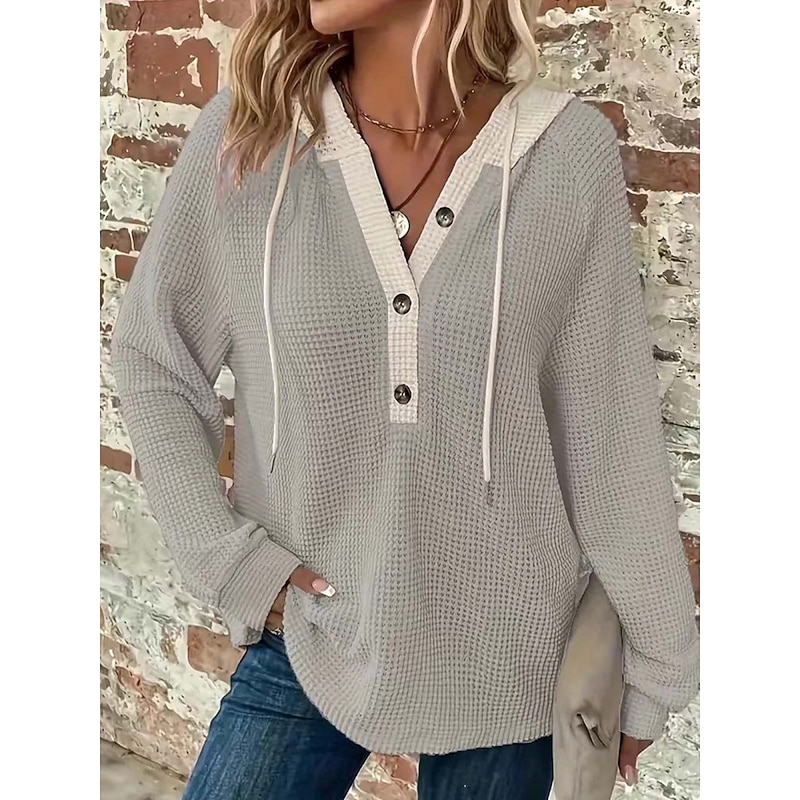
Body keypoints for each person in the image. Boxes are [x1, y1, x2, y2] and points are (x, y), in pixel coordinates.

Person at [111, 1, 700, 798]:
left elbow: (609, 440)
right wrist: (228, 559)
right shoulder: (253, 137)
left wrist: (659, 666)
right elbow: (155, 359)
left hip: (512, 660)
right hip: (313, 630)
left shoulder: (566, 155)